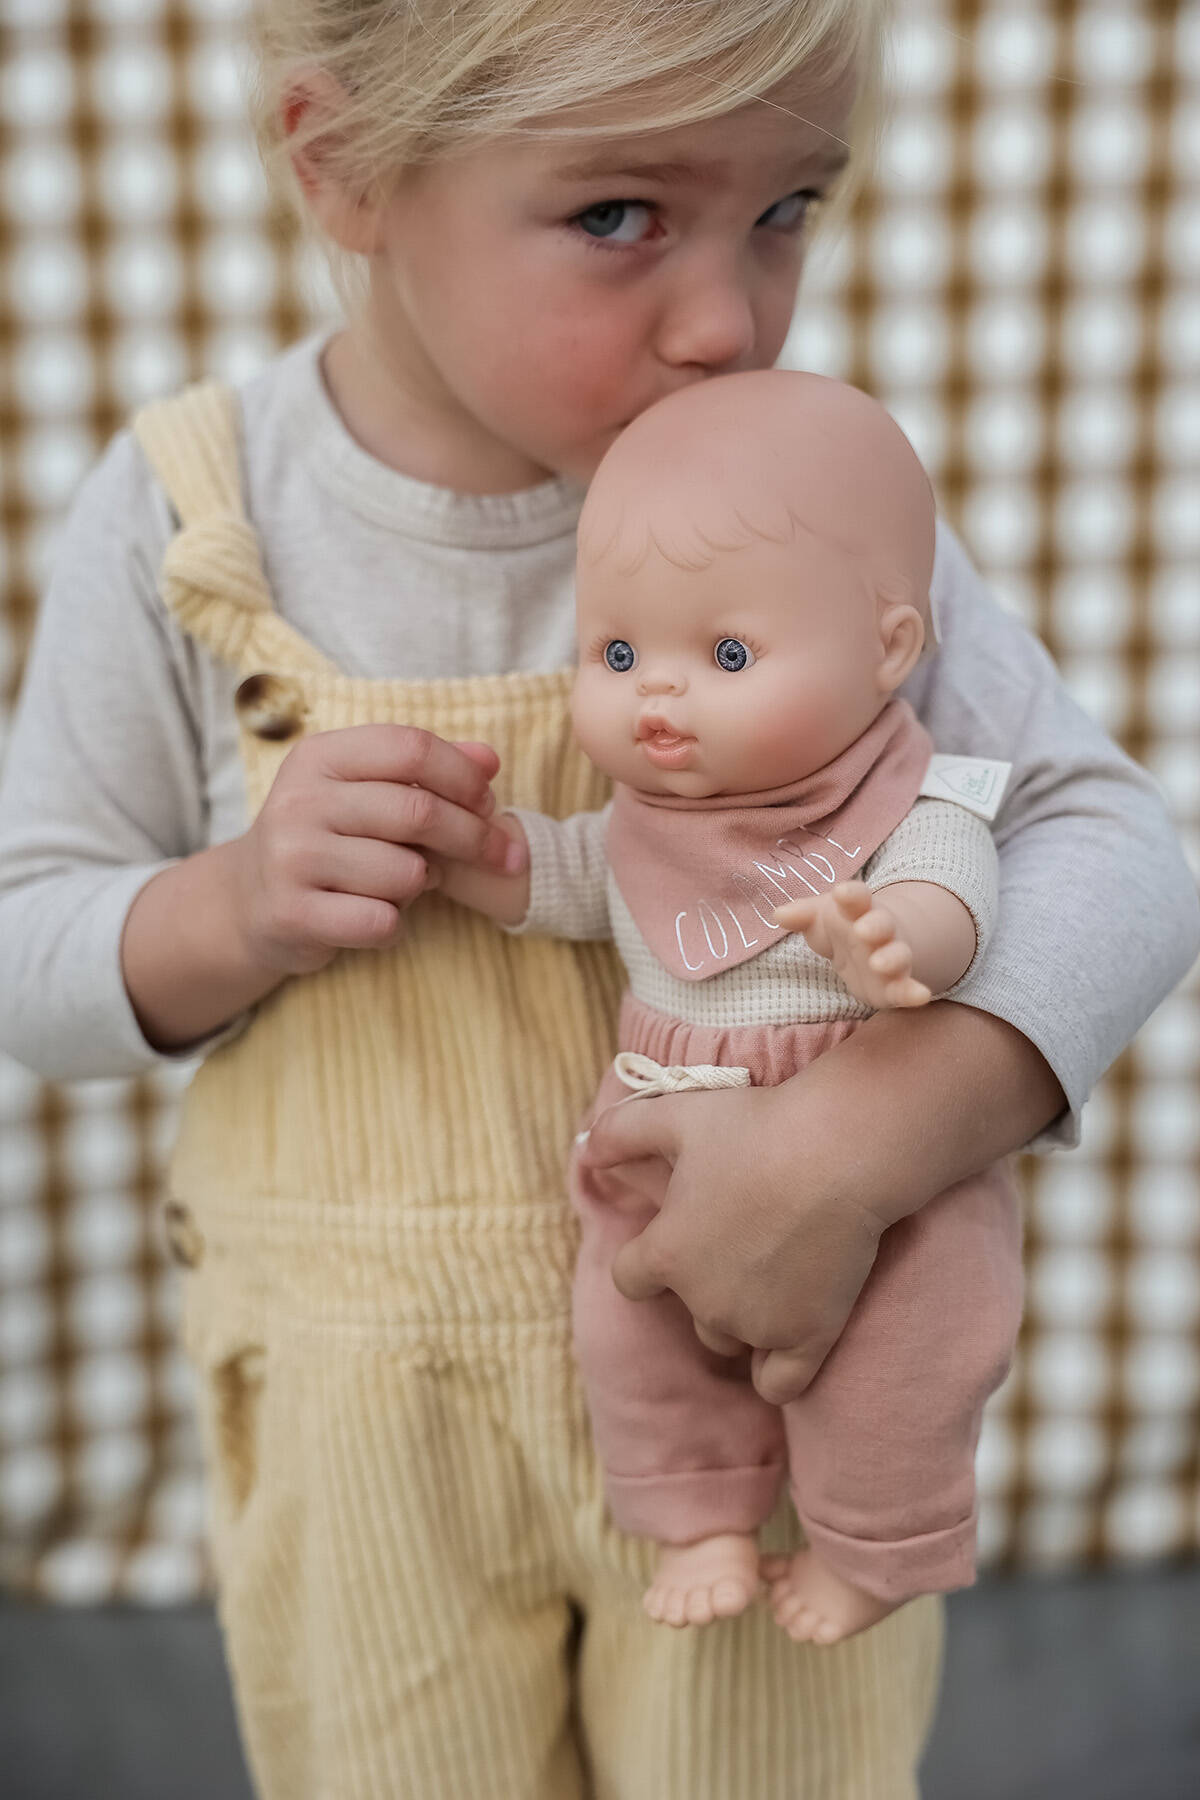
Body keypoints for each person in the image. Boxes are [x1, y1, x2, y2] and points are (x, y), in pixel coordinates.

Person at [0, 2, 1195, 1795]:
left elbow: (1119, 843)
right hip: (373, 1435)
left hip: (768, 1390)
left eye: (788, 210)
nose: (728, 320)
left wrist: (869, 1137)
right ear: (345, 167)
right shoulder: (196, 515)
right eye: (623, 216)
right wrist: (231, 906)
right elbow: (29, 948)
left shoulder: (802, 500)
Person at [438, 366, 1024, 1649]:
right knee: (630, 1319)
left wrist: (898, 939)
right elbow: (594, 883)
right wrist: (496, 865)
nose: (659, 694)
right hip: (655, 1127)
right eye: (620, 651)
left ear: (889, 649)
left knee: (904, 1357)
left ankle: (880, 1541)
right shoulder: (652, 818)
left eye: (732, 653)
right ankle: (695, 1507)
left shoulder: (914, 799)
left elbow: (954, 891)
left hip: (869, 1144)